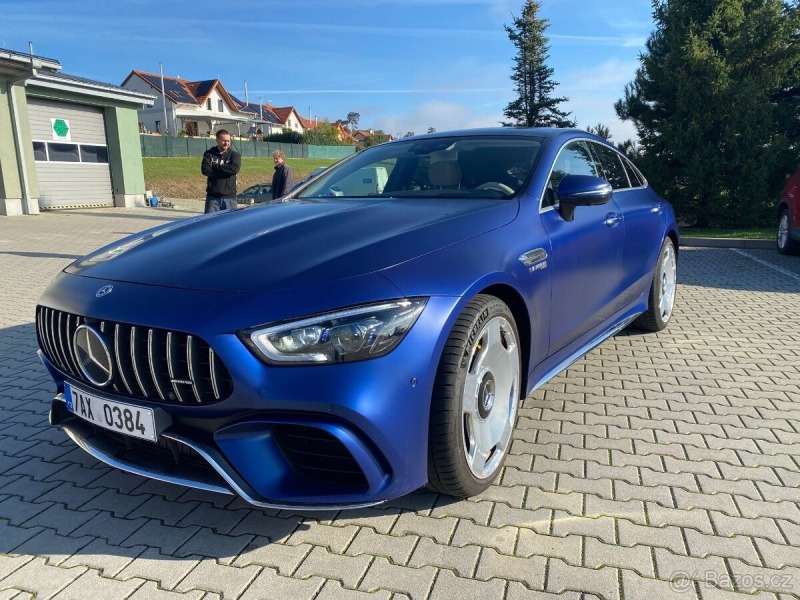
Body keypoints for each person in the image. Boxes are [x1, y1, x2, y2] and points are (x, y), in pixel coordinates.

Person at [201, 129, 241, 213]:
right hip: (213, 198)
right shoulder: (209, 154)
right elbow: (205, 170)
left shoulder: (234, 155)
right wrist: (226, 172)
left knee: (230, 224)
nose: (226, 143)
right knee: (210, 223)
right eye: (223, 141)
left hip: (229, 198)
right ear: (217, 140)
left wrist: (216, 166)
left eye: (228, 141)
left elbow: (234, 169)